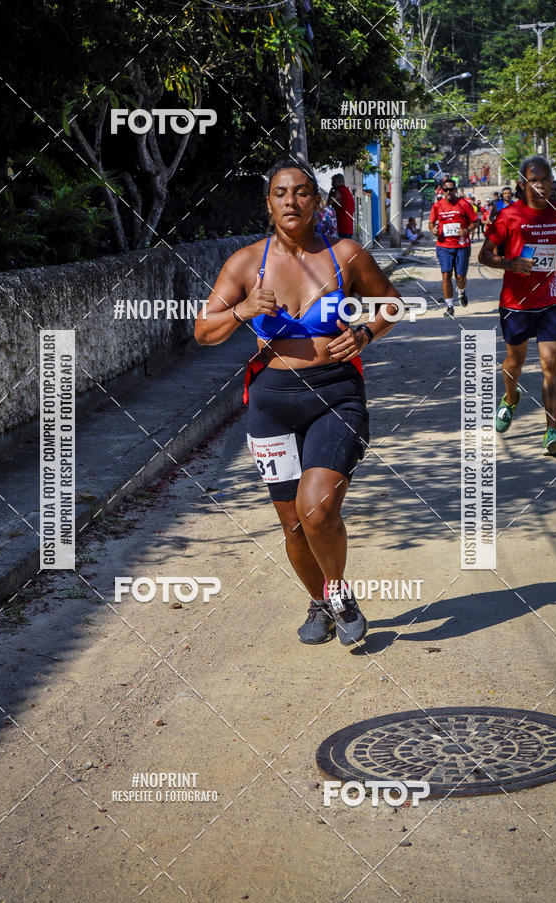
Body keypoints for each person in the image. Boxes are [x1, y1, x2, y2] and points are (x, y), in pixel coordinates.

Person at [195, 159, 401, 646]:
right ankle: (320, 601)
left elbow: (393, 301)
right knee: (292, 526)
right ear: (269, 204)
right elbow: (204, 331)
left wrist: (367, 331)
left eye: (303, 192)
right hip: (272, 402)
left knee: (317, 510)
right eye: (281, 193)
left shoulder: (346, 255)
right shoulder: (247, 263)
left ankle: (338, 593)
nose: (292, 201)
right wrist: (243, 309)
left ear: (318, 201)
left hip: (336, 395)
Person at [478, 154, 556, 456]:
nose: (541, 185)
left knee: (550, 363)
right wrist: (509, 263)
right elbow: (484, 255)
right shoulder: (509, 216)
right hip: (516, 303)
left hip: (553, 300)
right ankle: (510, 397)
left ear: (552, 182)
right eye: (534, 180)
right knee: (514, 363)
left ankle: (551, 429)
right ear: (522, 184)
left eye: (545, 179)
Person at [429, 176, 478, 316]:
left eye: (451, 189)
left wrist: (467, 230)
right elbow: (431, 223)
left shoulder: (464, 204)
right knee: (446, 275)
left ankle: (461, 292)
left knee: (460, 277)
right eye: (446, 189)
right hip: (444, 245)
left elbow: (475, 222)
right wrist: (433, 230)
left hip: (462, 246)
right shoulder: (437, 206)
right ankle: (449, 306)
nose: (448, 192)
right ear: (442, 191)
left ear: (455, 190)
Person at [328, 173, 355, 239]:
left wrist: (330, 194)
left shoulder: (339, 191)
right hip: (349, 229)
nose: (332, 185)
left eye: (333, 182)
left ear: (339, 182)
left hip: (341, 227)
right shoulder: (348, 192)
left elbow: (328, 203)